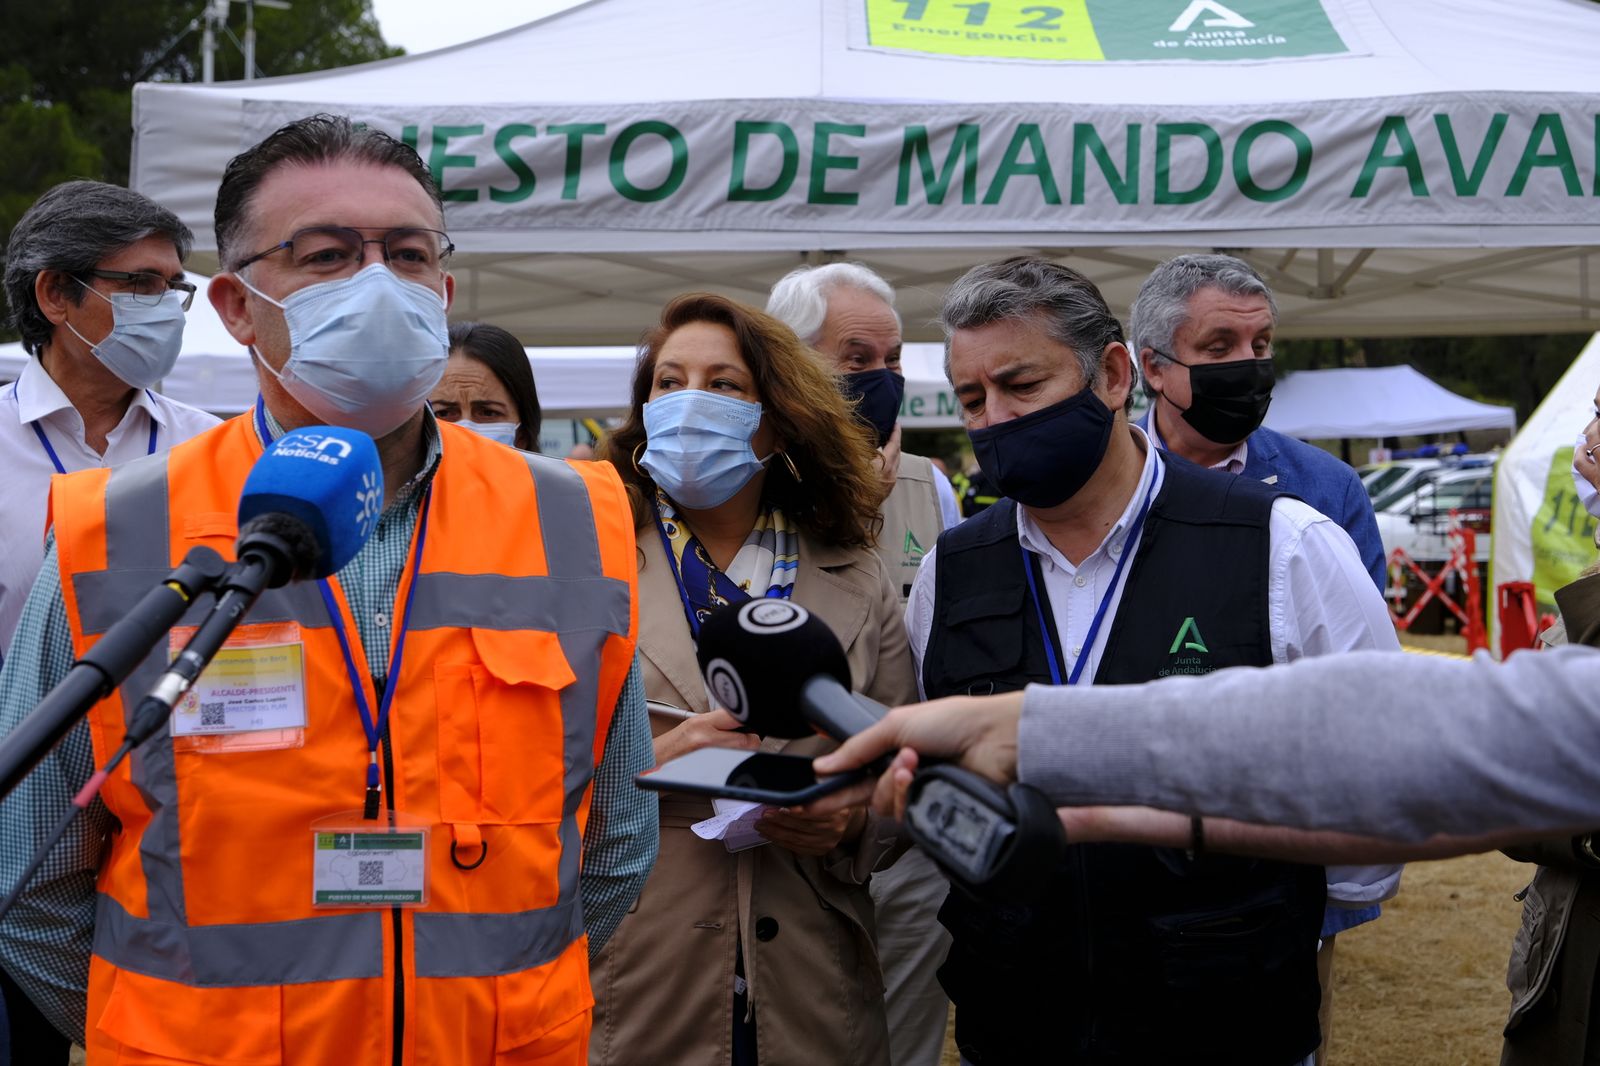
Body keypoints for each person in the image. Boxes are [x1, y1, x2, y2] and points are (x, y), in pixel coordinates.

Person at [0, 114, 656, 1065]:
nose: (379, 285)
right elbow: (30, 877)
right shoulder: (119, 528)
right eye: (327, 256)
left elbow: (613, 850)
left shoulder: (572, 518)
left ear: (445, 286)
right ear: (232, 305)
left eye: (407, 253)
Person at [905, 256, 1397, 1065]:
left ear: (1111, 374)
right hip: (1018, 1019)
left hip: (1225, 1016)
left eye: (1021, 385)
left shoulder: (1284, 543)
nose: (994, 419)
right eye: (971, 399)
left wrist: (1284, 920)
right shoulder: (951, 571)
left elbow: (1375, 767)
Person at [589, 292, 916, 1066]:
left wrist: (849, 822)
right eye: (669, 383)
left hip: (810, 972)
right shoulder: (584, 557)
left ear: (776, 417)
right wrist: (640, 772)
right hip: (642, 966)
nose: (690, 402)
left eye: (724, 384)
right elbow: (516, 770)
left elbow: (902, 763)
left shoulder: (856, 573)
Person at [1130, 253, 1398, 1061]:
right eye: (1220, 347)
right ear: (1152, 367)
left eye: (1261, 345)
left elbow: (1359, 687)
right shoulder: (1103, 482)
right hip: (1125, 843)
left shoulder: (1325, 490)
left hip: (1278, 859)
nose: (1249, 366)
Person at [0, 179, 220, 1061]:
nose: (166, 307)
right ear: (56, 295)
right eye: (141, 284)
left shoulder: (214, 450)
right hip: (12, 817)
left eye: (176, 286)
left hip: (164, 826)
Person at [766, 262, 953, 1066]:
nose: (883, 380)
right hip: (783, 848)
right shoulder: (744, 488)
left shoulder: (929, 487)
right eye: (857, 359)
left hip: (903, 852)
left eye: (894, 360)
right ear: (791, 362)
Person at [431, 320, 542, 450]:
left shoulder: (567, 470)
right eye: (444, 413)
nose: (466, 430)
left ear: (522, 435)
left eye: (488, 413)